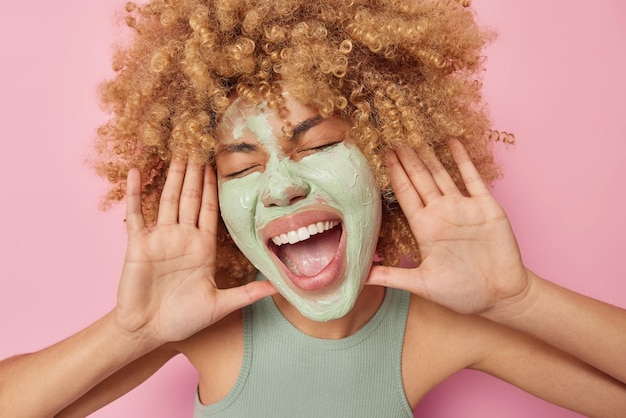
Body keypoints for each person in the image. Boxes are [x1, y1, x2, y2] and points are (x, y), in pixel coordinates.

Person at [0, 0, 625, 417]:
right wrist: (130, 332)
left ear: (383, 161)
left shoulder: (443, 327)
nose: (279, 188)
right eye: (241, 168)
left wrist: (519, 300)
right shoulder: (200, 325)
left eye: (319, 144)